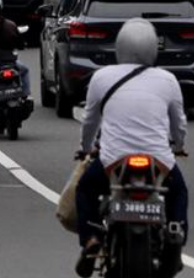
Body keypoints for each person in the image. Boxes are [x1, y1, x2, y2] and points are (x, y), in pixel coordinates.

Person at [74, 18, 188, 278]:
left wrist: (85, 148)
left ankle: (91, 240)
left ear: (119, 47)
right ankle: (176, 230)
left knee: (86, 189)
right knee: (178, 192)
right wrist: (179, 146)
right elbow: (178, 123)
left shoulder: (102, 76)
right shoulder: (168, 80)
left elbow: (90, 121)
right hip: (158, 159)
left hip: (113, 159)